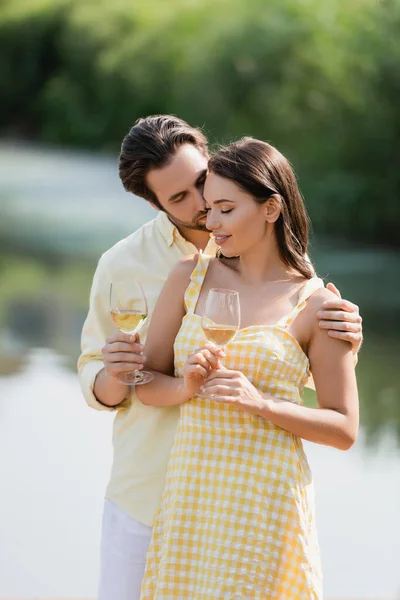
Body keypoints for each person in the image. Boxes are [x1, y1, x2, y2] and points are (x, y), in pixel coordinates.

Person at [77, 116, 362, 600]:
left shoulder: (294, 276)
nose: (203, 211)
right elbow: (100, 375)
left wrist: (347, 341)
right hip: (151, 493)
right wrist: (120, 371)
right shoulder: (129, 265)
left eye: (204, 186)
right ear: (155, 204)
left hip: (255, 500)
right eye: (181, 200)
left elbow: (302, 380)